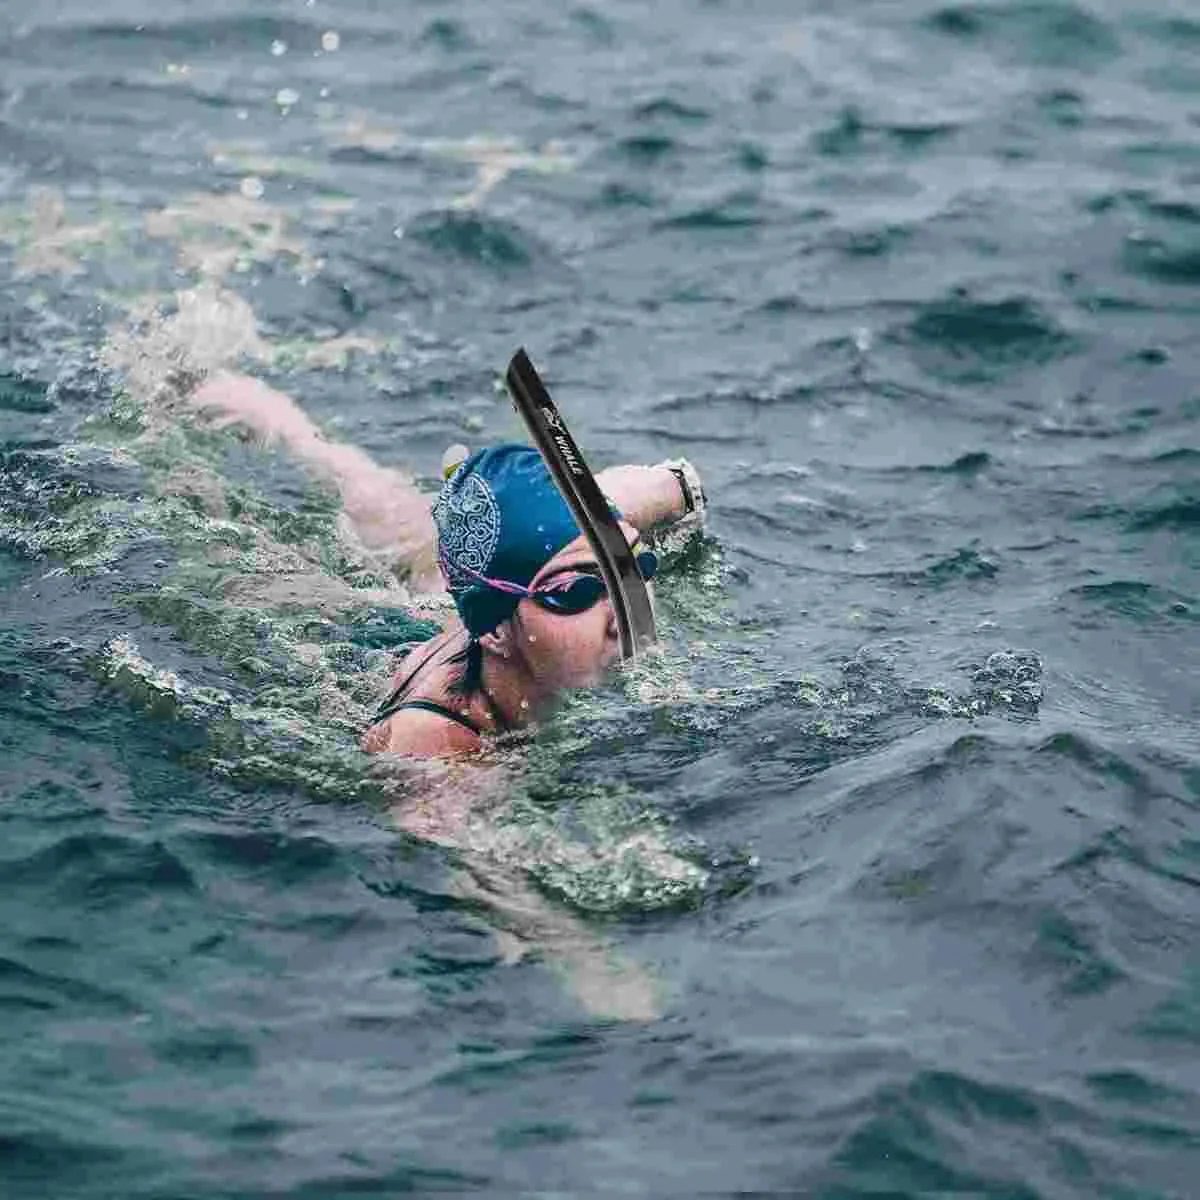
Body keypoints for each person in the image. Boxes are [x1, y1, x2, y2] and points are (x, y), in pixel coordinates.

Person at [191, 371, 706, 760]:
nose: (621, 611)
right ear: (497, 632)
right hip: (363, 639)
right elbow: (484, 883)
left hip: (456, 603)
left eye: (630, 565)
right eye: (573, 594)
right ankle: (223, 410)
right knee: (243, 554)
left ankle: (297, 434)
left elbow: (668, 487)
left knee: (401, 523)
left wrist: (677, 492)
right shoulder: (439, 747)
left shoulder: (571, 549)